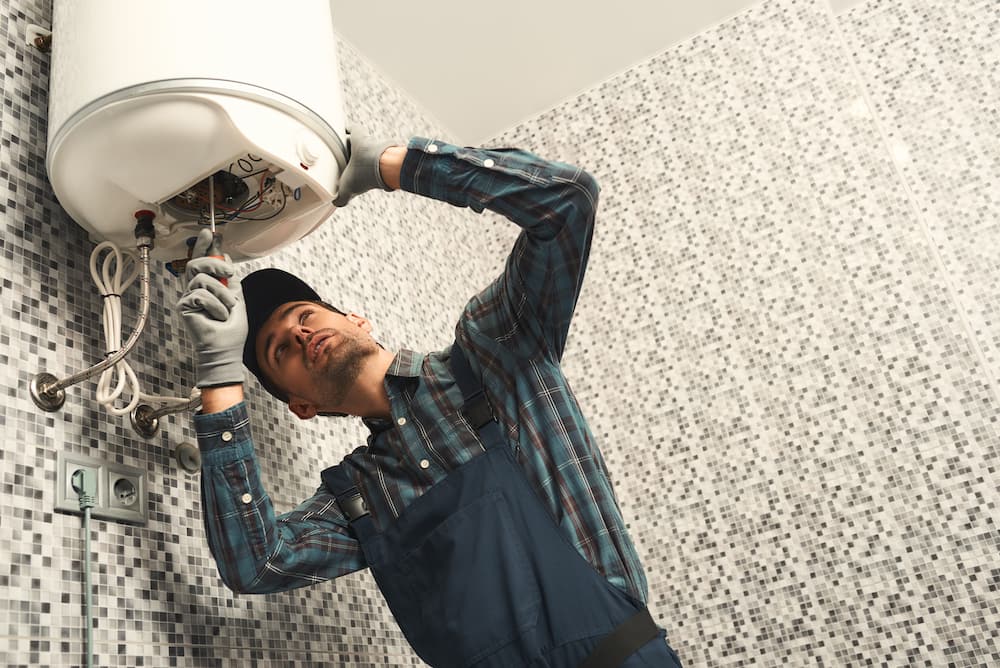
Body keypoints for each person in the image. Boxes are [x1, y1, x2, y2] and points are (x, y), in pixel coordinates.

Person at [178, 127, 683, 668]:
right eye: (281, 351)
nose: (300, 335)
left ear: (356, 320)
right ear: (302, 406)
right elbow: (255, 561)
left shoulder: (495, 352)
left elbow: (568, 202)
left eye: (306, 315)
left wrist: (396, 167)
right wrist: (219, 371)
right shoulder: (360, 495)